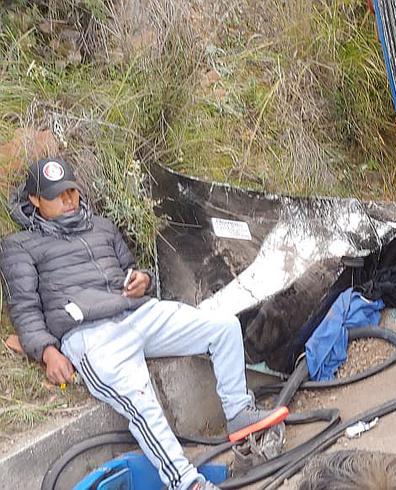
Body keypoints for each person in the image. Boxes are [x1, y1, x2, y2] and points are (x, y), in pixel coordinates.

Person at [0, 157, 281, 490]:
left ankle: (239, 413)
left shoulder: (102, 226)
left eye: (71, 192)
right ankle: (188, 483)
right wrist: (48, 351)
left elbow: (131, 269)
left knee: (222, 327)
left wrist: (142, 281)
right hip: (91, 335)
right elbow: (25, 309)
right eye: (56, 195)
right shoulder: (19, 246)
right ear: (33, 199)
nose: (67, 201)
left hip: (137, 313)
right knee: (141, 401)